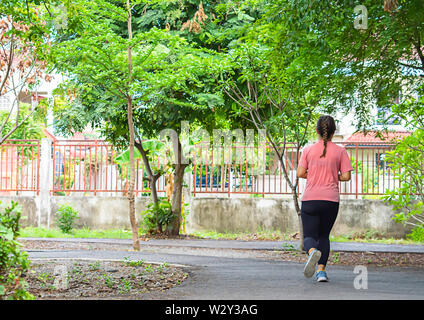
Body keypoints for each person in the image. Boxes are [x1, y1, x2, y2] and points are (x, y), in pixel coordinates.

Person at [296, 115, 353, 282]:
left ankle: (312, 252)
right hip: (331, 200)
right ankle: (321, 272)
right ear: (334, 132)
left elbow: (300, 173)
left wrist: (314, 174)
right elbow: (347, 176)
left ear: (317, 131)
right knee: (323, 236)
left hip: (311, 199)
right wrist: (333, 175)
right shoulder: (340, 151)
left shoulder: (308, 150)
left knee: (309, 237)